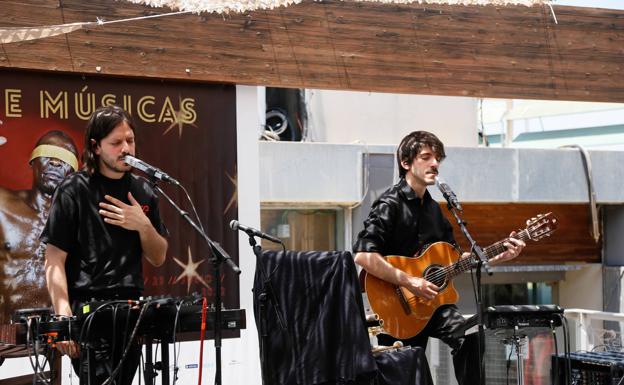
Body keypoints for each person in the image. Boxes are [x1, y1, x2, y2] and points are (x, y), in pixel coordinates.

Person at [353, 130, 526, 385]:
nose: (435, 164)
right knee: (410, 375)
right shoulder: (389, 204)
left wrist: (500, 255)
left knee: (470, 335)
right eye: (426, 157)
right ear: (406, 163)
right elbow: (364, 255)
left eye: (438, 158)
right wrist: (411, 282)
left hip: (434, 306)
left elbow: (457, 259)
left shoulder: (435, 209)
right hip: (395, 308)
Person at [41, 105, 168, 384]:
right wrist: (63, 315)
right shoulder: (73, 189)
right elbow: (53, 259)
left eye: (130, 140)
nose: (126, 148)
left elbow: (158, 256)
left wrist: (143, 225)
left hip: (130, 312)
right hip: (88, 312)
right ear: (96, 147)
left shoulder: (143, 190)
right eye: (116, 143)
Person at [0, 130, 79, 324]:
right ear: (32, 161)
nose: (55, 162)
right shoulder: (3, 205)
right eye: (48, 154)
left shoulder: (80, 219)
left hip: (57, 337)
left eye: (64, 157)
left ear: (74, 173)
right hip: (5, 335)